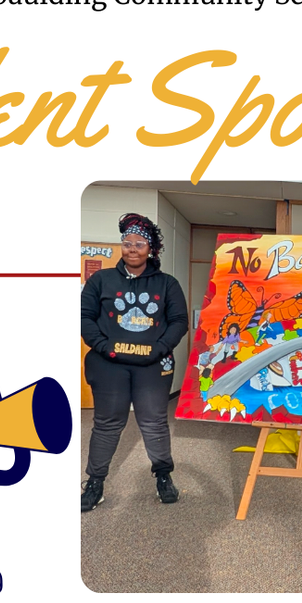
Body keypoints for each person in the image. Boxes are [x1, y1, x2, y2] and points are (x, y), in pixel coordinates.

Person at [80, 213, 189, 511]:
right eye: (127, 242)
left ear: (151, 248)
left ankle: (163, 476)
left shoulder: (167, 284)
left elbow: (180, 320)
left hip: (152, 365)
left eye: (139, 243)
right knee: (106, 423)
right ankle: (95, 483)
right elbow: (84, 316)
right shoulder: (101, 280)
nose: (132, 248)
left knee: (154, 422)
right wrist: (102, 346)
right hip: (109, 364)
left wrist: (161, 348)